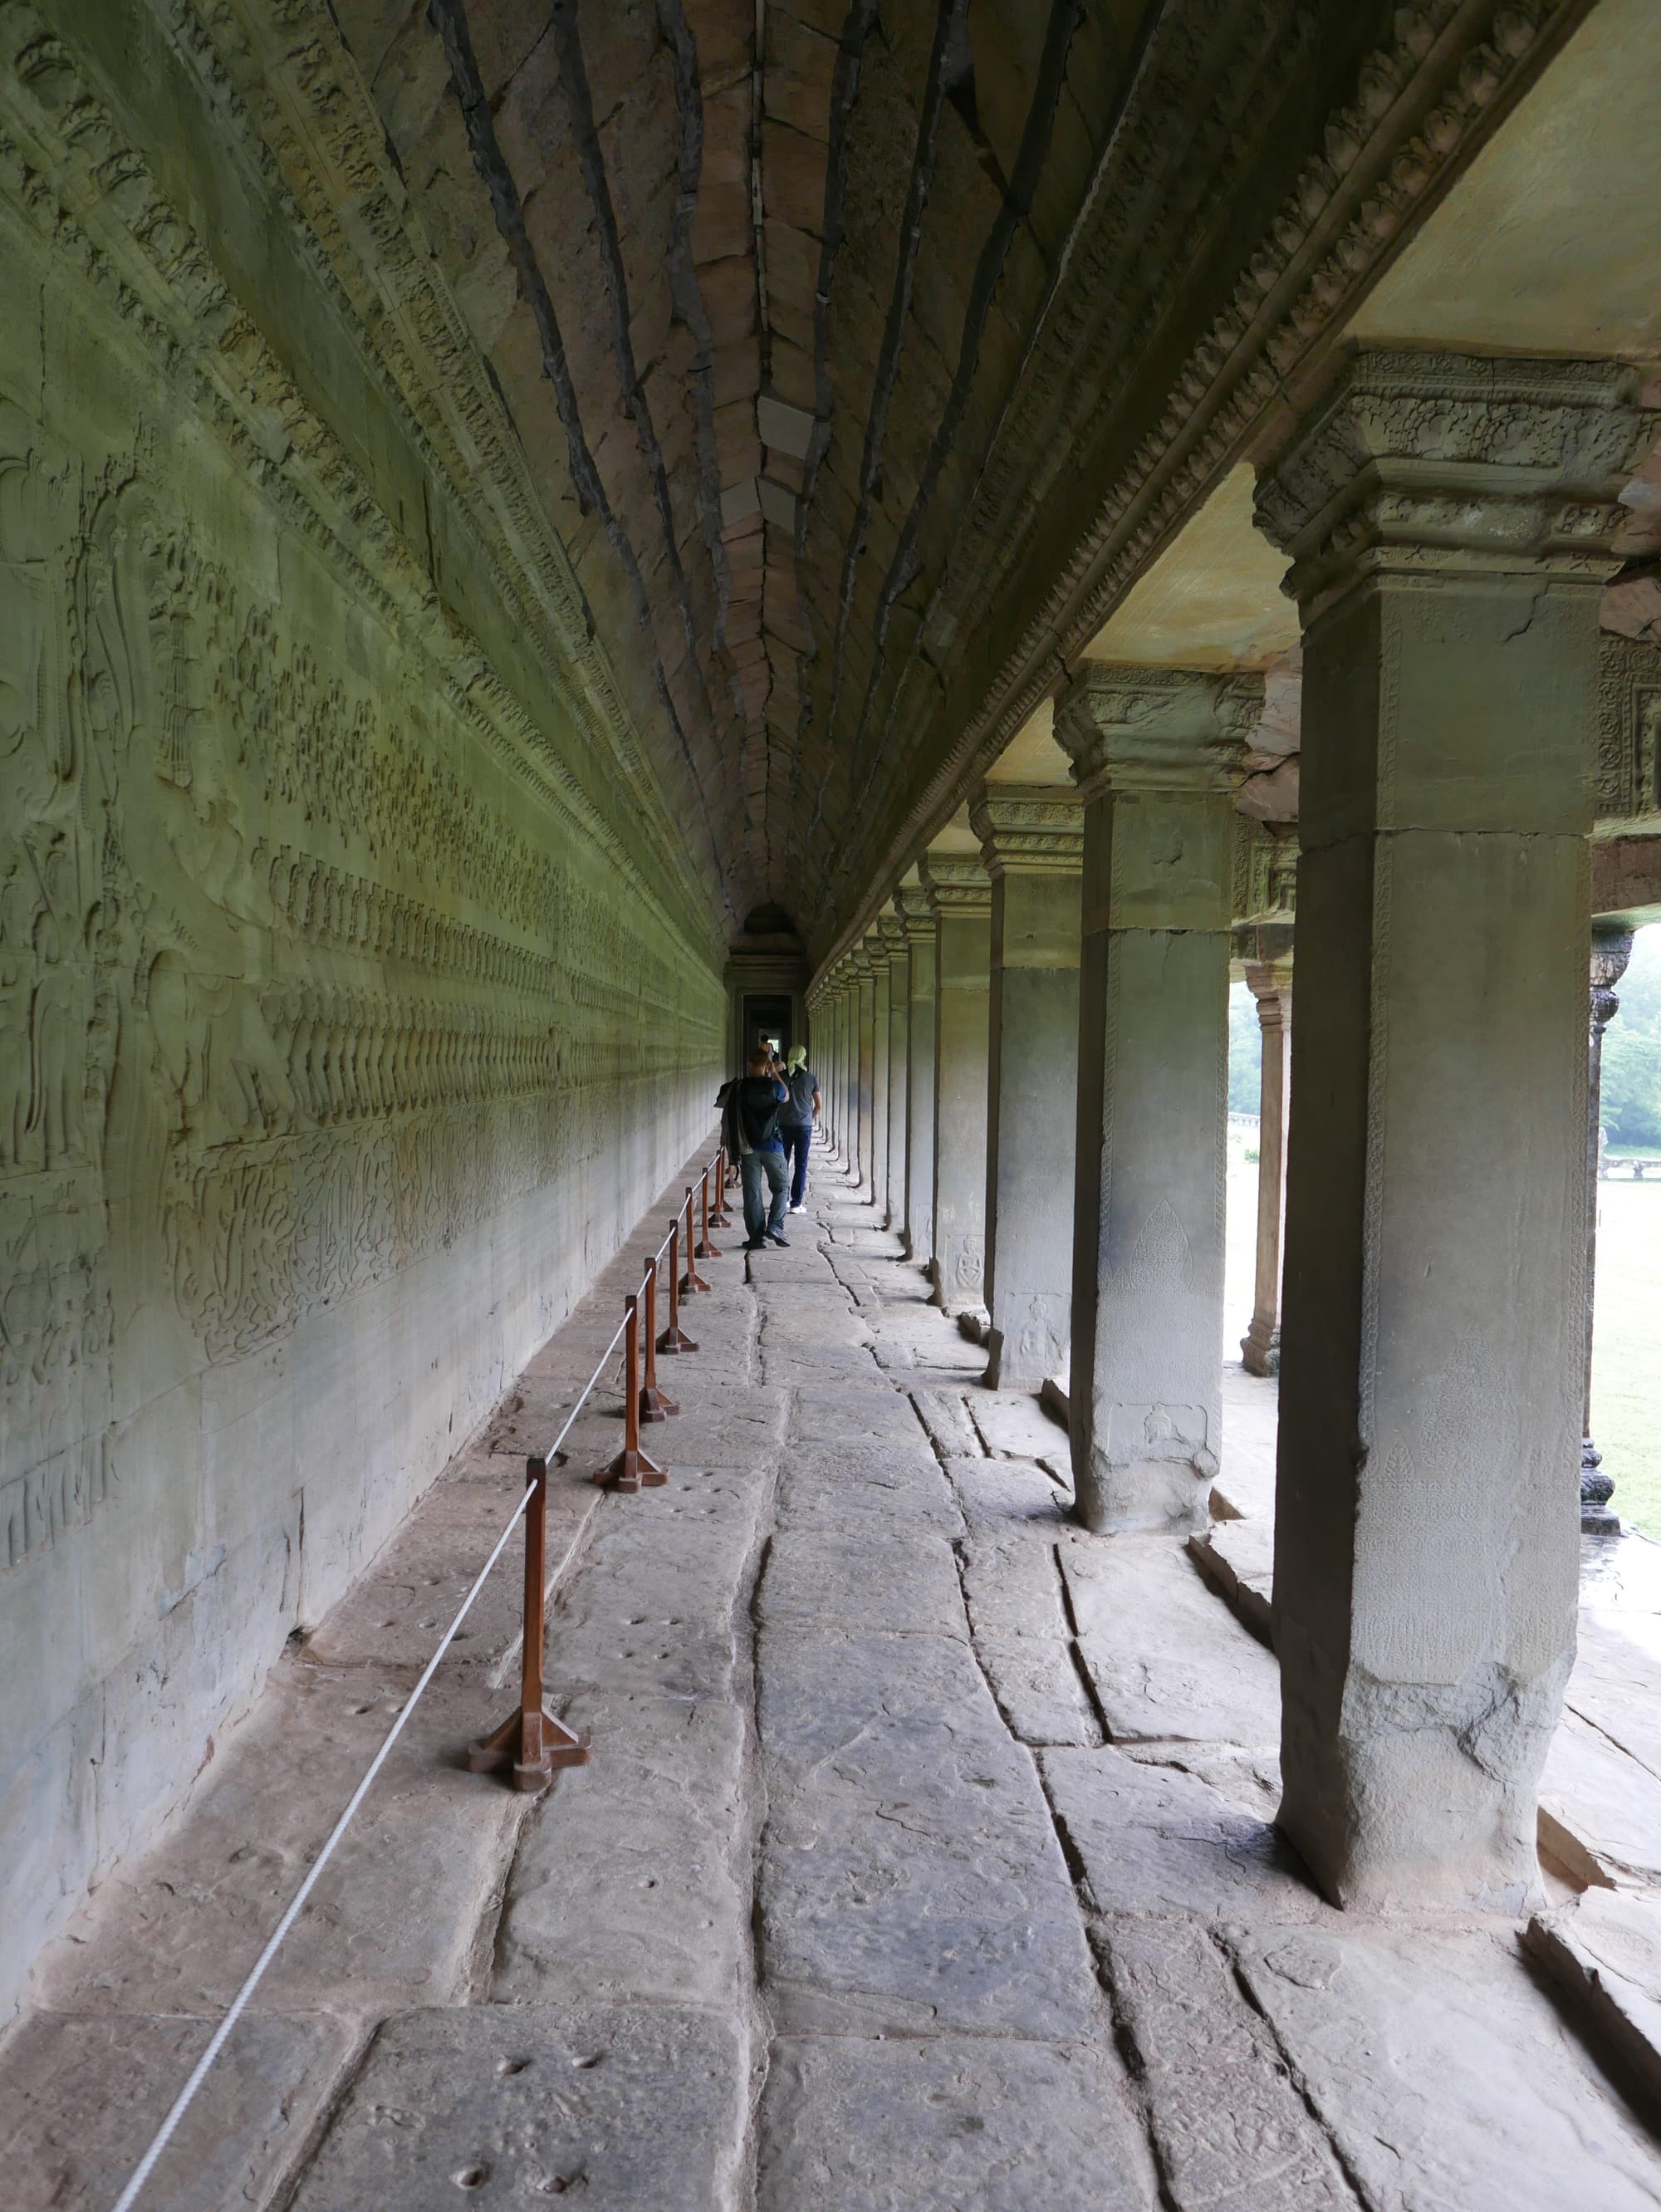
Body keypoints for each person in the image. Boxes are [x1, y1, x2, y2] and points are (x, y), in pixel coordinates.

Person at [722, 1046, 791, 1250]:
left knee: (752, 1193)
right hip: (773, 1146)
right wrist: (774, 1072)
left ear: (748, 1064)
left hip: (748, 1146)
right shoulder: (774, 1088)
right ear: (766, 1065)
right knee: (781, 1187)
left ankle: (756, 1238)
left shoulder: (740, 1088)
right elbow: (786, 1096)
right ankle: (776, 1226)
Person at [779, 1044, 821, 1214]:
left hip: (783, 1125)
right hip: (804, 1126)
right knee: (801, 1164)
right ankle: (796, 1203)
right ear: (802, 1057)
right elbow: (819, 1105)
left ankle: (782, 1200)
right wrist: (809, 1118)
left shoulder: (780, 1076)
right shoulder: (810, 1078)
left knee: (782, 1163)